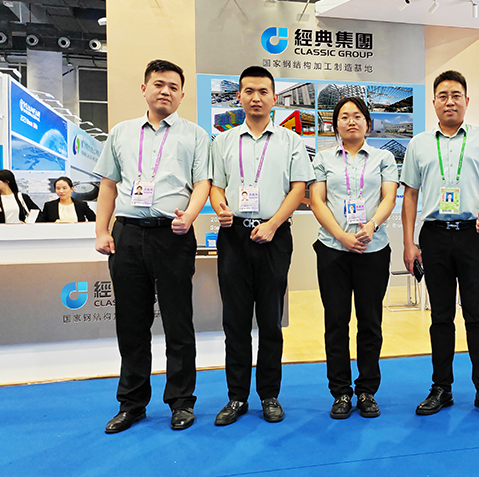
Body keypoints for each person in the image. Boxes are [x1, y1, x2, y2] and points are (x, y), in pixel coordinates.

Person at [93, 59, 211, 434]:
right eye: (159, 84)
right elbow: (108, 185)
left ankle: (181, 401)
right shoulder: (121, 133)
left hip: (173, 234)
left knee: (178, 322)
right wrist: (101, 231)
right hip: (127, 234)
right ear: (144, 89)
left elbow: (202, 184)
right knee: (131, 323)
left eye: (173, 87)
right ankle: (132, 403)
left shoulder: (195, 135)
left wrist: (190, 216)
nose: (166, 91)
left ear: (182, 95)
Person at [401, 70, 479, 419]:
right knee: (441, 316)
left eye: (456, 95)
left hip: (472, 234)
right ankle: (441, 388)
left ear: (467, 101)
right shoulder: (419, 144)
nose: (450, 101)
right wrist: (408, 242)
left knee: (477, 313)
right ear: (434, 102)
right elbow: (410, 195)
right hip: (433, 236)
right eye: (443, 96)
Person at [209, 66, 314, 426]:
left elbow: (298, 189)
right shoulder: (223, 141)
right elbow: (216, 186)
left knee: (270, 321)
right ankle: (236, 397)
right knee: (235, 322)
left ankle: (269, 395)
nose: (256, 98)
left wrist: (272, 224)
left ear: (274, 98)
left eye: (263, 91)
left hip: (274, 235)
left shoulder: (290, 141)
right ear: (239, 96)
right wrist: (220, 208)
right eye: (249, 91)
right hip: (234, 236)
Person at [310, 96, 398, 419]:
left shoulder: (384, 157)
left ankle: (366, 390)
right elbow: (317, 201)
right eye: (344, 116)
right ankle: (341, 392)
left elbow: (389, 197)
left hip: (373, 250)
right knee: (336, 322)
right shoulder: (323, 158)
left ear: (368, 124)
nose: (351, 121)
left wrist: (371, 226)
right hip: (333, 250)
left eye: (357, 116)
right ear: (335, 124)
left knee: (370, 322)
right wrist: (342, 236)